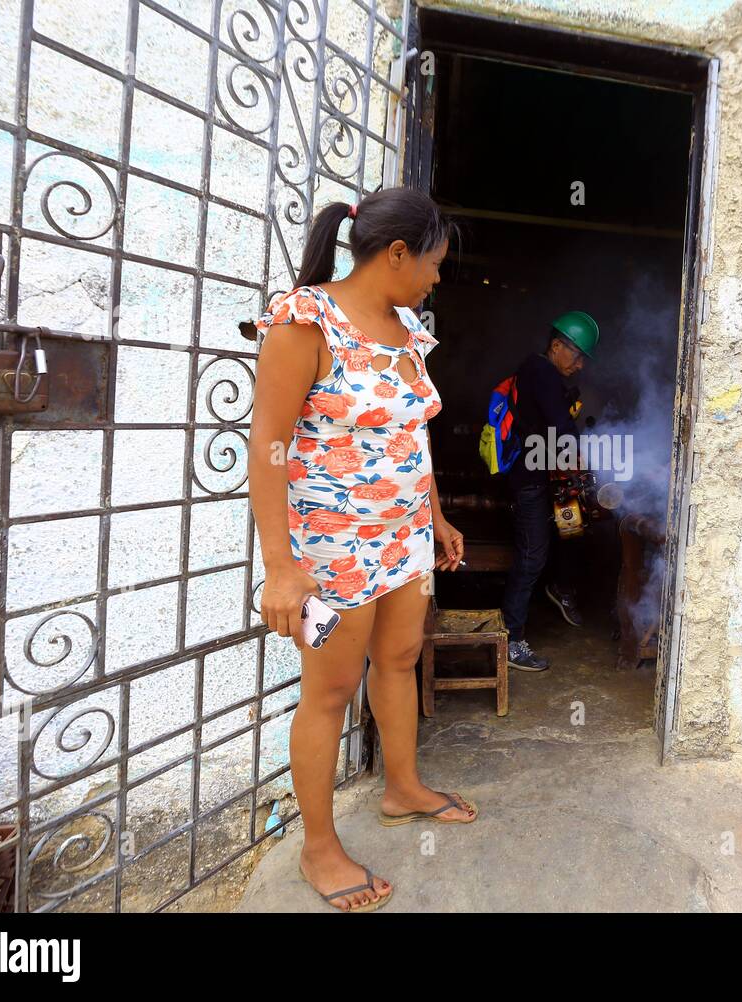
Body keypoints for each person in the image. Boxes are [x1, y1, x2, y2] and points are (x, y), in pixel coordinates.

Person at [248, 187, 476, 913]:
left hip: (404, 540)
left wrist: (434, 516)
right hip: (334, 551)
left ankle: (402, 789)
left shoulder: (407, 328)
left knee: (402, 658)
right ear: (398, 252)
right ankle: (319, 849)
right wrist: (280, 568)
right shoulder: (305, 321)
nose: (438, 278)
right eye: (434, 263)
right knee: (330, 693)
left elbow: (414, 433)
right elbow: (268, 447)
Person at [501, 311, 600, 671]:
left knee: (572, 529)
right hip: (530, 481)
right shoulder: (540, 371)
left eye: (583, 359)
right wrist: (586, 455)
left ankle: (561, 586)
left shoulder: (544, 375)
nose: (580, 365)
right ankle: (511, 641)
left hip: (547, 478)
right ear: (556, 346)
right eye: (576, 355)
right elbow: (561, 428)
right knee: (530, 559)